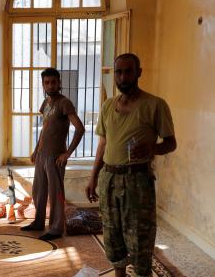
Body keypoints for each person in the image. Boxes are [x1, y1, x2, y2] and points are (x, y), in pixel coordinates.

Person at [85, 53, 176, 277]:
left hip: (137, 181)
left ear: (138, 73)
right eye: (119, 72)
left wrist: (152, 149)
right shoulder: (107, 106)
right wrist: (93, 177)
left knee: (139, 238)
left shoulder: (155, 105)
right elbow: (103, 143)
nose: (123, 77)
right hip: (109, 178)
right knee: (112, 234)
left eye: (128, 71)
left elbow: (170, 143)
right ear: (114, 75)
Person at [21, 68, 85, 241]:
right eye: (47, 82)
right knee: (38, 191)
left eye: (53, 82)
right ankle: (38, 222)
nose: (50, 85)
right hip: (42, 155)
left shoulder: (65, 103)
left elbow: (80, 128)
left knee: (55, 193)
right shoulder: (46, 103)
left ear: (59, 83)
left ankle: (56, 228)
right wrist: (36, 149)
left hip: (55, 157)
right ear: (43, 85)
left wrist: (67, 153)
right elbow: (45, 129)